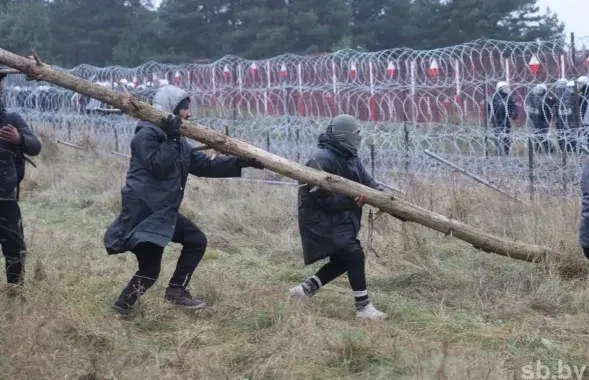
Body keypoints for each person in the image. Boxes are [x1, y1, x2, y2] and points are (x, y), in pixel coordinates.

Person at [104, 84, 263, 316]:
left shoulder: (174, 137)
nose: (188, 113)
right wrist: (173, 138)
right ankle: (166, 296)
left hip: (160, 210)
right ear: (171, 109)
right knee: (170, 257)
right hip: (145, 212)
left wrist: (239, 162)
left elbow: (201, 165)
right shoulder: (147, 133)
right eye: (184, 109)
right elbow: (158, 166)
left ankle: (132, 304)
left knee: (169, 256)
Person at [290, 114, 388, 320]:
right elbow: (321, 201)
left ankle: (305, 290)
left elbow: (365, 181)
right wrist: (353, 202)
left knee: (343, 260)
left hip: (340, 217)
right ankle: (363, 308)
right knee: (353, 254)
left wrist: (380, 194)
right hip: (320, 220)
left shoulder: (349, 154)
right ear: (343, 136)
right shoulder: (320, 160)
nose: (360, 138)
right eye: (356, 134)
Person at [0, 67, 41, 289]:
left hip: (4, 197)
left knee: (15, 248)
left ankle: (15, 289)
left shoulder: (11, 119)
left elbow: (35, 146)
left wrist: (18, 140)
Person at [487, 81, 518, 156]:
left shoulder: (509, 97)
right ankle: (498, 152)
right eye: (505, 88)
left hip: (506, 119)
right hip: (496, 120)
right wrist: (491, 117)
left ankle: (507, 152)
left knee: (506, 137)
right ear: (500, 89)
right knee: (498, 136)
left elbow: (514, 108)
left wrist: (514, 114)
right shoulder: (493, 97)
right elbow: (488, 109)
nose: (507, 89)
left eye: (507, 87)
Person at [525, 84, 555, 154]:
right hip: (535, 120)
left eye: (540, 89)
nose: (538, 91)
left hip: (544, 120)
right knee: (536, 136)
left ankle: (549, 149)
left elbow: (549, 109)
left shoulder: (547, 99)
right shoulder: (535, 98)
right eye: (537, 89)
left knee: (543, 136)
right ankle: (539, 151)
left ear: (543, 90)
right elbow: (531, 108)